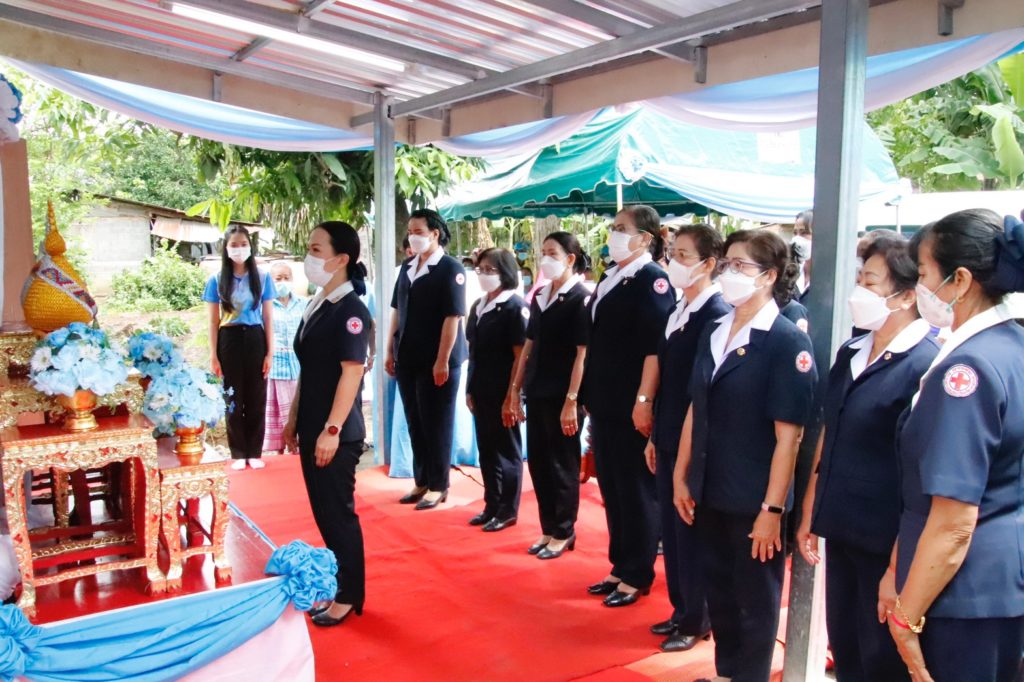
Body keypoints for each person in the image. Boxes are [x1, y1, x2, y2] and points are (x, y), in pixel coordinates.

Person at [883, 209, 1024, 682]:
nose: (920, 286)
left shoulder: (967, 369)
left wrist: (906, 616)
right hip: (994, 582)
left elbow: (953, 522)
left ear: (960, 280)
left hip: (961, 590)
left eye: (924, 274)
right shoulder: (1011, 344)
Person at [673, 229, 817, 682]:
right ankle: (728, 672)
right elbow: (697, 406)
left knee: (754, 600)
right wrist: (682, 473)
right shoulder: (716, 329)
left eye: (741, 266)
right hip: (709, 487)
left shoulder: (786, 341)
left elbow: (789, 438)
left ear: (769, 276)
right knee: (719, 590)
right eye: (727, 264)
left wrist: (772, 509)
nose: (728, 273)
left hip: (754, 497)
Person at [795, 236, 937, 682]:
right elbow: (830, 432)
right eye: (860, 279)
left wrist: (897, 563)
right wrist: (812, 508)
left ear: (907, 296)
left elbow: (921, 474)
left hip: (887, 536)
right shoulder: (853, 351)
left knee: (881, 655)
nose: (859, 291)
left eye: (870, 282)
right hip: (841, 525)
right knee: (846, 643)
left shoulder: (925, 363)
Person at [582, 205, 675, 607]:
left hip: (630, 401)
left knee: (636, 490)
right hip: (605, 399)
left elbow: (653, 348)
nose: (613, 234)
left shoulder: (652, 280)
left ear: (645, 238)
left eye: (622, 228)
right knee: (613, 487)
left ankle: (637, 572)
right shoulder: (612, 276)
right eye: (614, 227)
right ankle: (619, 565)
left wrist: (644, 400)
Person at [283, 221, 371, 627]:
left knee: (338, 515)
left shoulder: (351, 310)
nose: (309, 256)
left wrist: (331, 430)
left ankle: (350, 595)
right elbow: (311, 368)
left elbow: (351, 373)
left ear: (341, 259)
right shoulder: (320, 302)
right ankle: (340, 587)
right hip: (313, 424)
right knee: (324, 514)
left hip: (336, 433)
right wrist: (294, 418)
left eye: (316, 250)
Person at [645, 224, 728, 652]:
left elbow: (701, 388)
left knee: (691, 530)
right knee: (673, 530)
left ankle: (697, 617)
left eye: (682, 255)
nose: (673, 262)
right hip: (668, 429)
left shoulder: (715, 313)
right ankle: (681, 608)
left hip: (692, 438)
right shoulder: (679, 309)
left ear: (708, 264)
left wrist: (686, 446)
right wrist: (655, 432)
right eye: (672, 253)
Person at [506, 232, 590, 560]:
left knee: (562, 464)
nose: (546, 259)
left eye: (552, 253)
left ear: (570, 258)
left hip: (562, 394)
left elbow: (582, 353)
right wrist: (515, 389)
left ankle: (565, 530)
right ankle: (548, 527)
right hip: (537, 390)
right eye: (543, 252)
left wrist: (572, 400)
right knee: (540, 463)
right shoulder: (540, 295)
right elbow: (528, 346)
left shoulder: (581, 298)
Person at [384, 208, 468, 510]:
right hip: (408, 356)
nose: (413, 237)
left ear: (434, 233)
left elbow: (453, 317)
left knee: (437, 422)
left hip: (437, 360)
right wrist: (390, 349)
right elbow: (397, 310)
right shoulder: (408, 267)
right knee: (415, 421)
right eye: (410, 232)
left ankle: (438, 484)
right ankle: (421, 480)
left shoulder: (450, 268)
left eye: (418, 232)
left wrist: (442, 360)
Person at [465, 248, 528, 532]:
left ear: (505, 272)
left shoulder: (514, 307)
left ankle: (507, 509)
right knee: (487, 450)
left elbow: (520, 356)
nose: (484, 275)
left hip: (504, 390)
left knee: (507, 451)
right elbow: (474, 352)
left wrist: (513, 395)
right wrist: (470, 389)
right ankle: (491, 503)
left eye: (491, 270)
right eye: (481, 270)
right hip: (481, 389)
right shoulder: (479, 306)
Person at [203, 226, 275, 470]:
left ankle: (254, 451)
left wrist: (269, 353)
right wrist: (213, 355)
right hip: (229, 338)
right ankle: (238, 453)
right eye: (234, 245)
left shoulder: (263, 278)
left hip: (255, 338)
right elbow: (212, 321)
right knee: (232, 397)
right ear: (225, 248)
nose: (239, 249)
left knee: (256, 396)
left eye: (243, 244)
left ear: (250, 246)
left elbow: (268, 317)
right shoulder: (216, 280)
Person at [264, 261, 305, 455]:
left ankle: (297, 449)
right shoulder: (265, 305)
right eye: (278, 278)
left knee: (297, 408)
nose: (282, 282)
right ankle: (278, 451)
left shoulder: (303, 304)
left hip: (298, 366)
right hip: (275, 367)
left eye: (286, 278)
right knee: (277, 411)